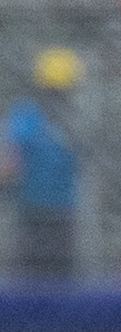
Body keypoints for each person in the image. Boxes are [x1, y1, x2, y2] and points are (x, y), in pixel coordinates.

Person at [4, 49, 81, 284]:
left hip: (46, 210)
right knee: (52, 277)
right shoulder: (61, 116)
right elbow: (12, 160)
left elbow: (11, 162)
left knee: (37, 278)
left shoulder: (30, 114)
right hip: (50, 211)